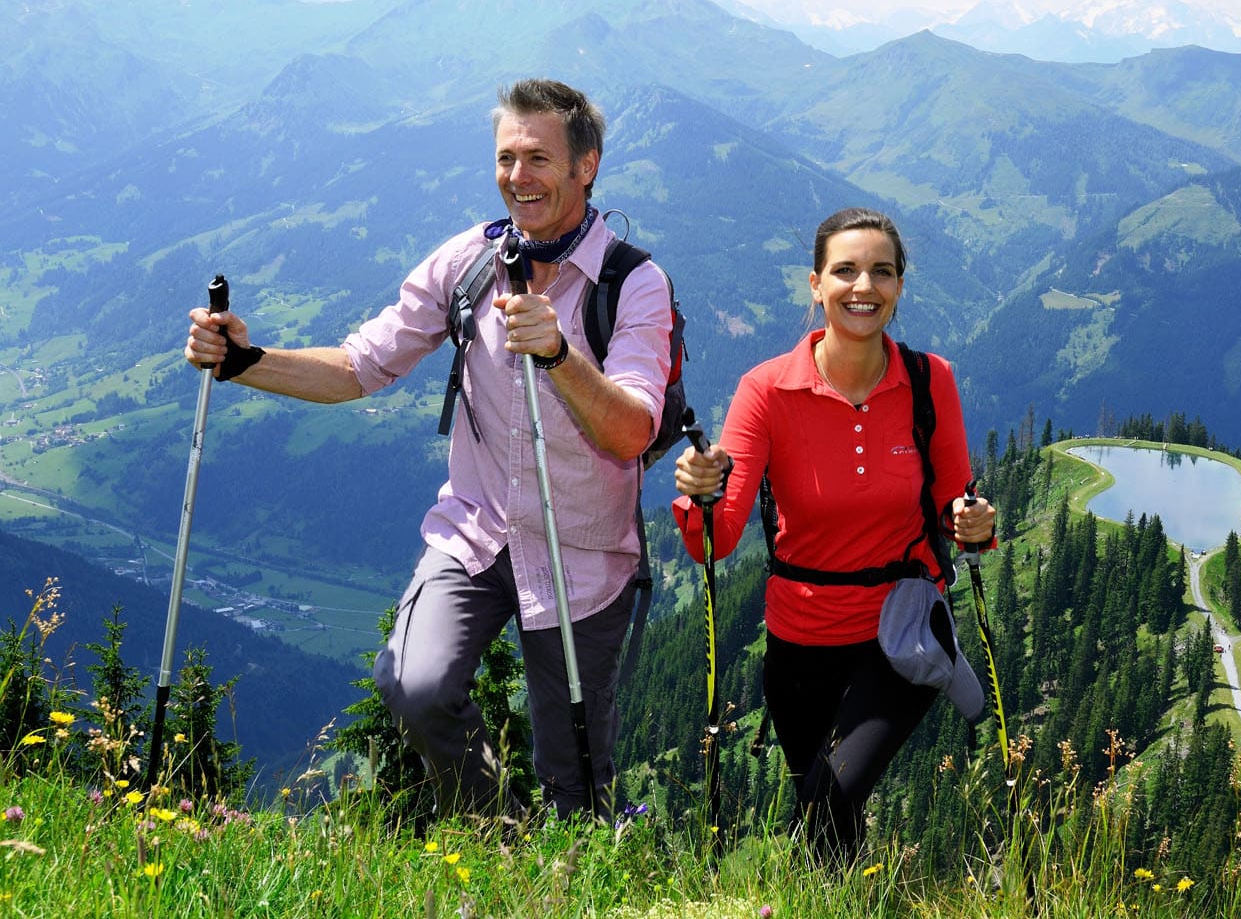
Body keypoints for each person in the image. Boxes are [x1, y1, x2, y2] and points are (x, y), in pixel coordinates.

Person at [185, 78, 674, 822]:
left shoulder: (632, 283)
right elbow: (359, 366)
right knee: (414, 685)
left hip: (584, 555)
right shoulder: (469, 262)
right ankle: (501, 834)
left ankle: (564, 866)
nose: (518, 177)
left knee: (575, 783)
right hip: (476, 532)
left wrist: (561, 354)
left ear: (587, 166)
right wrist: (245, 362)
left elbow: (633, 431)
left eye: (538, 158)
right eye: (506, 157)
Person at [672, 206, 997, 861]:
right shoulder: (765, 391)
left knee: (832, 797)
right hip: (799, 643)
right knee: (825, 813)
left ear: (899, 286)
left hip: (901, 630)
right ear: (815, 284)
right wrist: (698, 496)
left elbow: (953, 507)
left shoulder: (931, 380)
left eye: (881, 271)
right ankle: (834, 898)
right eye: (845, 271)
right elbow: (717, 541)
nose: (864, 287)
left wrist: (975, 526)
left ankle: (786, 898)